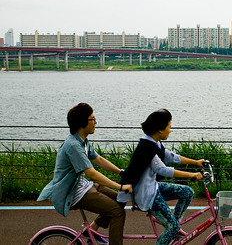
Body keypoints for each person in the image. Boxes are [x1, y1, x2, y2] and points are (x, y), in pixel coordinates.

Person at [37, 103, 132, 245]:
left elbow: (99, 160)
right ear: (82, 122)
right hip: (75, 193)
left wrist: (121, 172)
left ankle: (91, 230)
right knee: (117, 212)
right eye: (92, 119)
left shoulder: (82, 142)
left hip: (84, 186)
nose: (96, 122)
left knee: (121, 199)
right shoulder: (73, 146)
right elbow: (92, 173)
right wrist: (120, 186)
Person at [119, 108, 204, 245]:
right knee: (172, 227)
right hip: (147, 194)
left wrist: (196, 162)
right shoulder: (147, 147)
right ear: (160, 129)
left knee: (187, 192)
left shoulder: (154, 143)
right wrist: (191, 175)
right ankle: (173, 228)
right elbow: (163, 170)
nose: (170, 130)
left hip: (154, 187)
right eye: (169, 127)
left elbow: (171, 157)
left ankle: (174, 227)